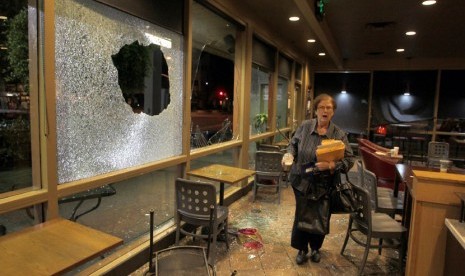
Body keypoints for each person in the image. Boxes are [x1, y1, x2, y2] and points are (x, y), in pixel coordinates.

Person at [283, 93, 354, 264]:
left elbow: (350, 159)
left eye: (328, 108)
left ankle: (316, 248)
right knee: (302, 214)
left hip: (325, 184)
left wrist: (331, 166)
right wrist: (289, 155)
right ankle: (301, 249)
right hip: (302, 180)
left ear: (333, 112)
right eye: (321, 107)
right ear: (315, 110)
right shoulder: (305, 126)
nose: (325, 110)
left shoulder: (338, 134)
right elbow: (293, 144)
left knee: (321, 216)